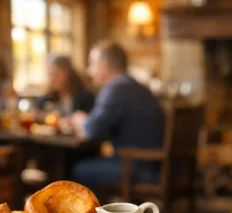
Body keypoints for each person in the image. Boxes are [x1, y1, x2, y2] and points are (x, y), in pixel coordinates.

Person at [66, 40, 165, 191]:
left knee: (77, 170)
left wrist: (80, 120)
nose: (89, 70)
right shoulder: (139, 87)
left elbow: (92, 131)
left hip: (137, 166)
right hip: (157, 165)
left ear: (104, 66)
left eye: (92, 64)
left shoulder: (115, 89)